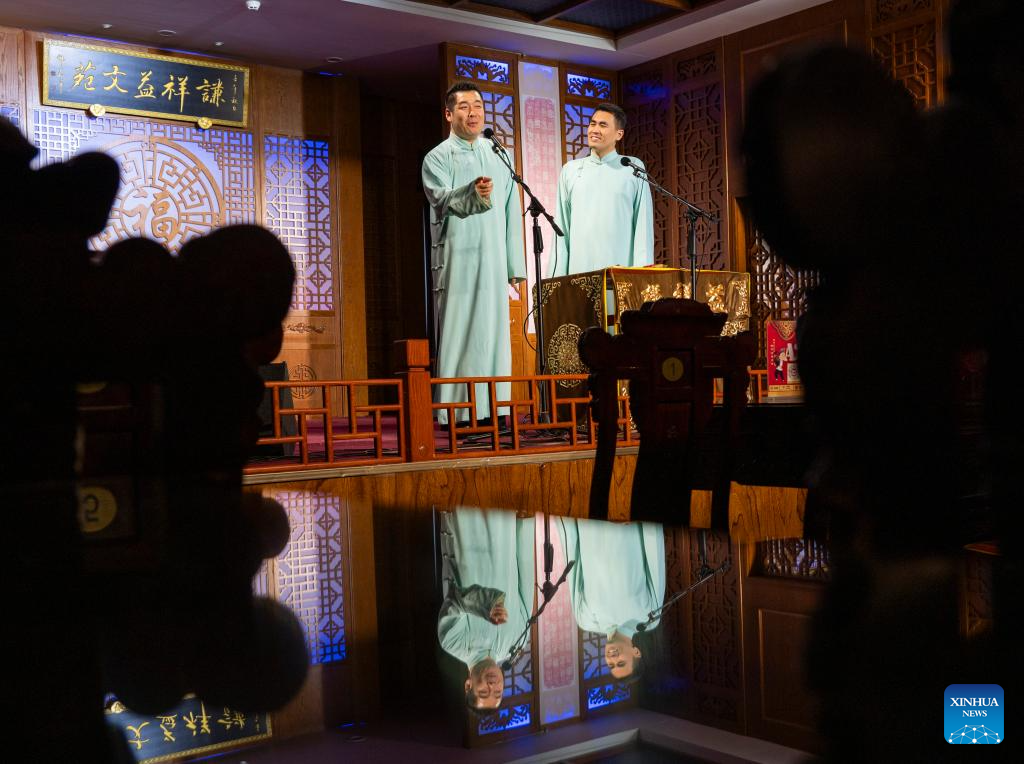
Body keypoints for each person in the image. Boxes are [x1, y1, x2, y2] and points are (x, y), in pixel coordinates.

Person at [421, 82, 526, 425]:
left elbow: (511, 211)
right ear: (449, 114)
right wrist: (472, 191)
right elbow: (441, 199)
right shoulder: (437, 157)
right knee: (462, 330)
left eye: (478, 105)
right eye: (464, 106)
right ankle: (459, 413)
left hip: (493, 256)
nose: (473, 112)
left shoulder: (498, 154)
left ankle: (495, 409)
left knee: (494, 333)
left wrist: (514, 265)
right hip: (459, 257)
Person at [437, 507, 534, 709]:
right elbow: (525, 570)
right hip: (504, 526)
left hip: (465, 524)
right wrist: (525, 522)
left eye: (483, 692)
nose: (492, 685)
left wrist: (487, 605)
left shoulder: (453, 643)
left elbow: (455, 599)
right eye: (498, 692)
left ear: (468, 685)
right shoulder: (518, 642)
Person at [550, 102, 654, 277]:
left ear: (619, 134)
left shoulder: (632, 167)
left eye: (603, 125)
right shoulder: (570, 170)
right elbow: (561, 228)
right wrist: (557, 279)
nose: (595, 130)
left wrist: (641, 276)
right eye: (593, 124)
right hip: (579, 273)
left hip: (620, 273)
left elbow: (643, 226)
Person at [555, 517, 665, 680]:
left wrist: (565, 515)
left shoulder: (585, 620)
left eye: (611, 665)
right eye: (621, 663)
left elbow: (572, 556)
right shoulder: (648, 617)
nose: (613, 659)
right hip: (624, 517)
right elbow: (654, 550)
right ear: (636, 652)